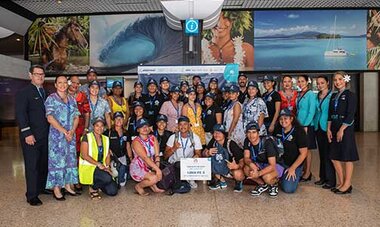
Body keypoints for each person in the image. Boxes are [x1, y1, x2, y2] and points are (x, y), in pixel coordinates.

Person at [16, 65, 50, 206]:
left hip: (45, 136)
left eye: (42, 74)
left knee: (43, 164)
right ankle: (31, 195)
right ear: (30, 75)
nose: (40, 76)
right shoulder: (24, 93)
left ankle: (41, 188)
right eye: (37, 74)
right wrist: (27, 133)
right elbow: (21, 114)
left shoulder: (46, 92)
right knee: (32, 166)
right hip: (31, 137)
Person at [45, 75, 80, 200]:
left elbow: (76, 116)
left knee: (70, 160)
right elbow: (50, 118)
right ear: (55, 84)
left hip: (71, 135)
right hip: (57, 137)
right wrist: (64, 131)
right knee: (58, 161)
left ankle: (68, 185)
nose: (62, 85)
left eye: (65, 82)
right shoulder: (51, 99)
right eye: (60, 82)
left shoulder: (72, 99)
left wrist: (72, 131)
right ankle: (57, 188)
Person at [327, 71, 359, 194]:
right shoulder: (334, 96)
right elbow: (330, 115)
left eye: (340, 79)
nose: (337, 82)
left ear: (345, 80)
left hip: (345, 129)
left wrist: (342, 129)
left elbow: (350, 115)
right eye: (335, 80)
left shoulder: (351, 95)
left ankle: (347, 184)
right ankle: (341, 182)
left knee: (347, 157)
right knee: (334, 157)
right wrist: (329, 129)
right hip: (334, 127)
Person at [79, 117, 118, 199]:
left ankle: (99, 184)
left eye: (101, 126)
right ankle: (93, 188)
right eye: (97, 125)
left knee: (113, 191)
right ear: (93, 126)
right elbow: (84, 155)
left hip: (102, 167)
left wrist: (107, 167)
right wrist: (98, 164)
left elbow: (107, 155)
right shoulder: (87, 137)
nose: (99, 128)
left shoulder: (106, 139)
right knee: (107, 178)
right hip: (90, 167)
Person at [243, 122, 284, 197]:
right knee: (246, 169)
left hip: (275, 165)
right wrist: (251, 164)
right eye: (248, 132)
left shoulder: (267, 142)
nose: (251, 135)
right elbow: (246, 158)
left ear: (258, 133)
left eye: (254, 132)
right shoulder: (247, 141)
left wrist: (258, 173)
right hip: (260, 164)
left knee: (267, 177)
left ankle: (274, 184)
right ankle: (262, 184)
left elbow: (272, 165)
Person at [273, 108, 308, 193]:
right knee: (267, 177)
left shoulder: (299, 132)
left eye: (286, 118)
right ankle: (281, 176)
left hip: (293, 164)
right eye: (281, 119)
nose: (283, 121)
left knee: (289, 189)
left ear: (291, 119)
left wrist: (292, 168)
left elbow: (303, 154)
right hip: (280, 162)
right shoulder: (277, 130)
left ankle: (294, 174)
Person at [203, 124, 245, 192]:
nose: (216, 134)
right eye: (215, 132)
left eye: (219, 133)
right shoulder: (214, 141)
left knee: (238, 174)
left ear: (224, 134)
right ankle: (222, 181)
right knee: (207, 162)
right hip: (219, 166)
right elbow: (204, 153)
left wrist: (237, 166)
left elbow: (242, 159)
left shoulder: (231, 144)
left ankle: (238, 182)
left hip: (230, 168)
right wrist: (207, 152)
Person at [165, 116, 203, 189]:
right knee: (178, 164)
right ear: (178, 126)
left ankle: (186, 179)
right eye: (180, 124)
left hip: (189, 164)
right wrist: (174, 148)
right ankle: (186, 179)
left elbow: (198, 153)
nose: (183, 126)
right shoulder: (173, 137)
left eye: (185, 124)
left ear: (189, 125)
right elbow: (165, 156)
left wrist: (197, 156)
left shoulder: (195, 137)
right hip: (175, 164)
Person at [130, 118, 164, 196]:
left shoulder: (153, 138)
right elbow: (145, 158)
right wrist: (157, 170)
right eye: (142, 127)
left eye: (146, 126)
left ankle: (154, 187)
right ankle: (138, 186)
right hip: (139, 166)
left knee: (157, 176)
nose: (145, 128)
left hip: (151, 164)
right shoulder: (136, 142)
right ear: (138, 129)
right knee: (154, 178)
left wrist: (157, 165)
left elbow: (157, 155)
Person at [313, 76, 336, 189]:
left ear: (327, 82)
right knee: (322, 154)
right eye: (318, 83)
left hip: (328, 127)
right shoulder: (317, 96)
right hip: (318, 127)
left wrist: (330, 127)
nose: (320, 85)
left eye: (322, 83)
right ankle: (322, 177)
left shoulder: (332, 96)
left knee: (328, 154)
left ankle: (331, 180)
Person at [296, 75, 317, 182]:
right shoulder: (300, 94)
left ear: (307, 82)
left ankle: (308, 173)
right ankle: (304, 171)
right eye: (298, 81)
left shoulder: (310, 95)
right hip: (300, 125)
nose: (300, 83)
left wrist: (306, 125)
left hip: (307, 126)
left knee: (307, 150)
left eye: (302, 81)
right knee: (301, 149)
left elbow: (311, 111)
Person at [104, 112, 132, 187]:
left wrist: (131, 159)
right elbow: (104, 145)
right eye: (116, 118)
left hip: (122, 156)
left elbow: (128, 146)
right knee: (115, 173)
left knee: (122, 183)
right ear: (114, 120)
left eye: (120, 118)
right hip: (112, 158)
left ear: (123, 120)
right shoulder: (108, 132)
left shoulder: (126, 132)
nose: (119, 120)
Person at [67, 75, 91, 158]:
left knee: (79, 152)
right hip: (65, 129)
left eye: (78, 83)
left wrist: (86, 128)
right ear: (68, 82)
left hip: (80, 129)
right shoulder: (62, 95)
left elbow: (87, 113)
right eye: (73, 82)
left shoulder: (82, 96)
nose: (75, 85)